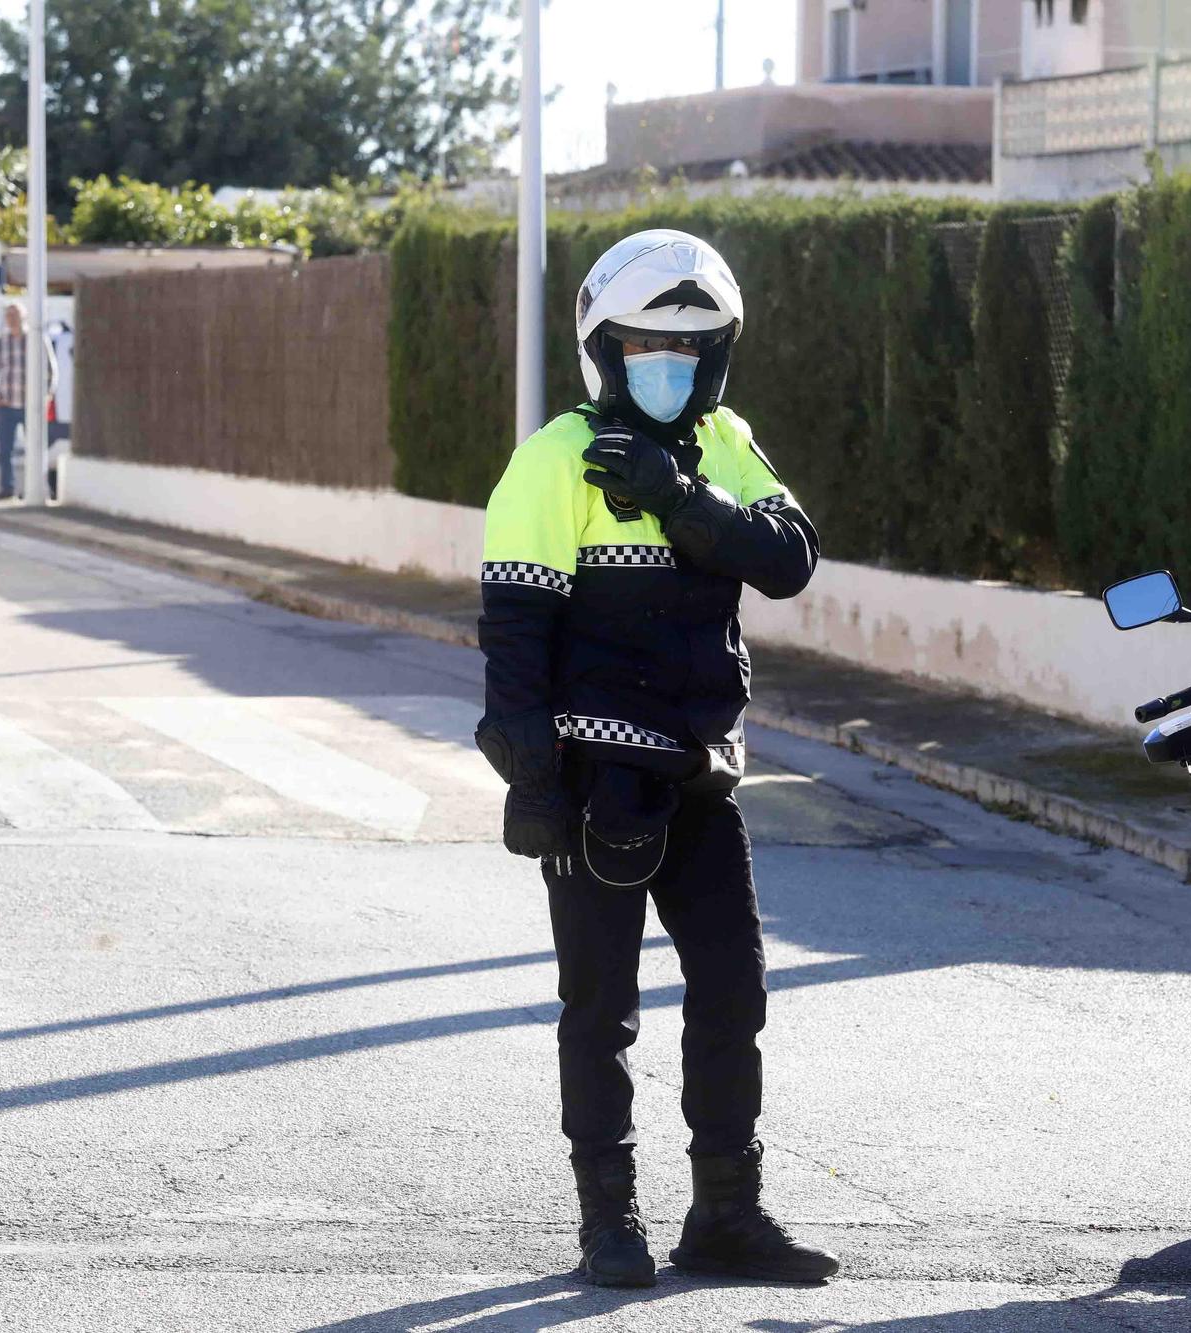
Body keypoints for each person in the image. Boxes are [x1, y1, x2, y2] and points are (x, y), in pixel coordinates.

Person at [475, 230, 839, 1289]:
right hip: (595, 782)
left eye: (688, 346)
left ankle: (726, 1214)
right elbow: (513, 641)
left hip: (699, 777)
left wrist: (680, 498)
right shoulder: (550, 459)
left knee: (734, 993)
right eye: (642, 345)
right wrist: (532, 780)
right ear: (603, 348)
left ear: (719, 354)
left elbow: (787, 561)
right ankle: (608, 1220)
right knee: (600, 1007)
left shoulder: (724, 440)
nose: (666, 365)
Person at [0, 302, 57, 499]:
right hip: (7, 404)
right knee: (4, 450)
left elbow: (51, 371)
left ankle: (35, 489)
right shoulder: (1, 342)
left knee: (34, 449)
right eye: (8, 315)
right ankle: (7, 489)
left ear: (23, 317)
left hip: (30, 405)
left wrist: (46, 396)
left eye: (15, 315)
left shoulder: (36, 340)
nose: (11, 319)